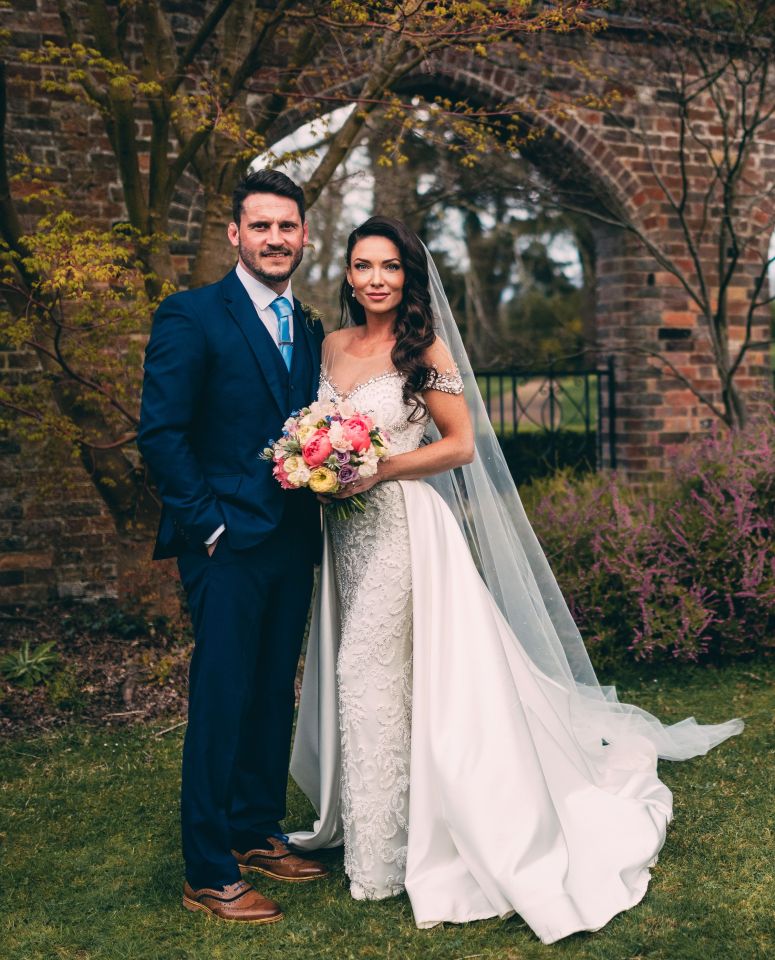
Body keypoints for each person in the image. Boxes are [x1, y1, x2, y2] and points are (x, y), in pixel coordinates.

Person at [288, 216, 743, 944]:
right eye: (363, 265)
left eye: (390, 267)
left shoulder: (422, 347)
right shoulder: (332, 346)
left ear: (409, 276)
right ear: (346, 274)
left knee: (366, 670)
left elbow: (461, 446)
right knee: (385, 677)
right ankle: (391, 825)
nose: (376, 278)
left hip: (406, 526)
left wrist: (377, 468)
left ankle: (382, 857)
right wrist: (316, 463)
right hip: (346, 534)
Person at [138, 169, 329, 925]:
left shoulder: (307, 327)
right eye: (261, 226)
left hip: (292, 538)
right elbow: (162, 432)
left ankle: (255, 828)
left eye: (287, 226)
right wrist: (206, 525)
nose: (275, 239)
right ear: (234, 234)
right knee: (221, 698)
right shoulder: (192, 315)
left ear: (303, 234)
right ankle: (208, 868)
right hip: (224, 544)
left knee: (271, 690)